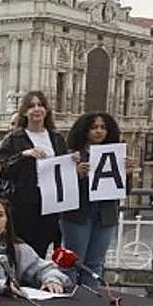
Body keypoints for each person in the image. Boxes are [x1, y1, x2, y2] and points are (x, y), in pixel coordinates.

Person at [0, 91, 68, 256]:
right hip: (23, 203)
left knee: (41, 248)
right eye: (31, 106)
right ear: (24, 112)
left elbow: (64, 168)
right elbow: (2, 169)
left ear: (47, 110)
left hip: (50, 202)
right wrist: (23, 155)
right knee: (21, 249)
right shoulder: (14, 138)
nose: (37, 109)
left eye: (40, 105)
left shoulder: (57, 138)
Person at [59, 112, 122, 288]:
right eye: (94, 127)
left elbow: (124, 190)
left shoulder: (116, 154)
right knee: (72, 262)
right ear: (84, 130)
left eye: (103, 127)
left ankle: (90, 303)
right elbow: (60, 186)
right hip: (77, 215)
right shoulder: (72, 155)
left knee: (95, 264)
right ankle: (67, 301)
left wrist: (128, 174)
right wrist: (76, 174)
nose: (99, 131)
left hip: (106, 216)